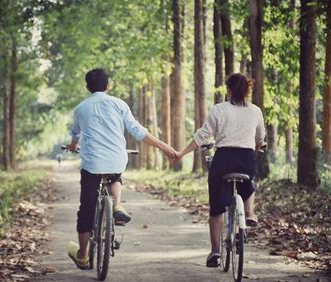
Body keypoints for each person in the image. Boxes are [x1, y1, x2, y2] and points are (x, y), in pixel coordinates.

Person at [65, 68, 177, 270]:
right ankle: (116, 205)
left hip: (92, 164)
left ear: (87, 87)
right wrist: (164, 146)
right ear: (109, 86)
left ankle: (83, 256)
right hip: (116, 160)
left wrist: (73, 146)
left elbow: (75, 134)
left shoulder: (81, 108)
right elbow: (138, 131)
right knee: (115, 177)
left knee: (86, 212)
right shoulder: (119, 104)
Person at [175, 73, 266, 268]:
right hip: (246, 160)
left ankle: (215, 251)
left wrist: (182, 153)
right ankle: (249, 213)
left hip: (224, 159)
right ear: (247, 90)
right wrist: (257, 145)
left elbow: (202, 135)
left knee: (216, 208)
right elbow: (260, 138)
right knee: (250, 181)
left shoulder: (219, 110)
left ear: (229, 90)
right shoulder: (256, 111)